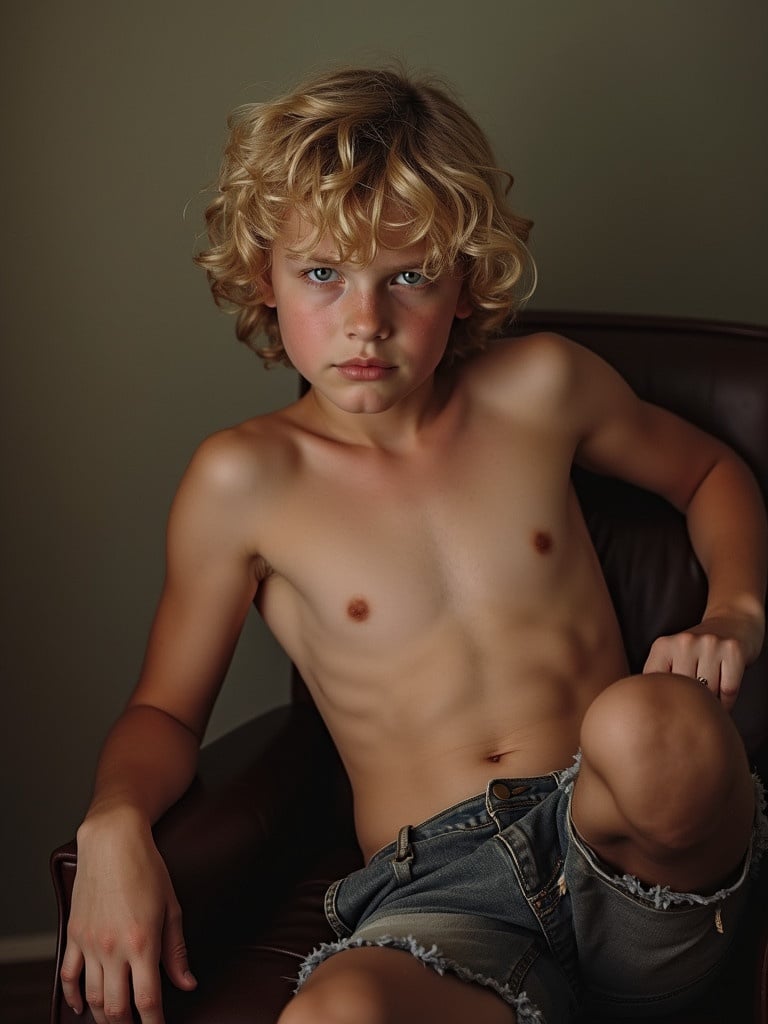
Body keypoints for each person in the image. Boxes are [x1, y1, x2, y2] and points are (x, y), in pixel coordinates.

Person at [61, 65, 768, 1024]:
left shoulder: (542, 389)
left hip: (626, 843)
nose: (365, 320)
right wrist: (114, 821)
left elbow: (710, 473)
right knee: (330, 1015)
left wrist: (734, 611)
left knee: (647, 726)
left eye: (409, 276)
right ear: (262, 274)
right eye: (322, 273)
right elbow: (165, 714)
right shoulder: (243, 482)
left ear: (466, 277)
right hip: (440, 888)